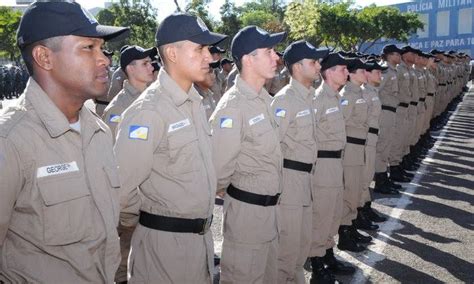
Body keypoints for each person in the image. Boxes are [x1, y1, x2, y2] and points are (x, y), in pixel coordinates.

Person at [0, 2, 129, 282]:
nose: (105, 59)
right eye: (88, 48)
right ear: (44, 58)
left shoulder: (98, 131)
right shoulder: (10, 141)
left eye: (102, 49)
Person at [113, 13, 226, 283]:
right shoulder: (147, 112)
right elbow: (122, 191)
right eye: (199, 48)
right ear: (172, 54)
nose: (209, 57)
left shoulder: (193, 103)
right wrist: (152, 222)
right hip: (163, 249)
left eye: (208, 49)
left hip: (199, 242)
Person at [209, 25, 285, 283]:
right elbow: (218, 174)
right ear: (248, 59)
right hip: (247, 219)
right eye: (269, 51)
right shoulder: (233, 107)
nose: (277, 57)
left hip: (270, 215)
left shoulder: (263, 100)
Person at [270, 40, 327, 284]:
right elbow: (273, 148)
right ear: (297, 66)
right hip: (290, 182)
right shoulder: (285, 100)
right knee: (287, 251)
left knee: (301, 247)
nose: (318, 66)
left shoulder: (308, 98)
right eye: (313, 62)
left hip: (306, 180)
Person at [103, 45, 155, 137]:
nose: (151, 68)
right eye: (145, 63)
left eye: (150, 63)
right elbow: (112, 146)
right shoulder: (117, 108)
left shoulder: (154, 96)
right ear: (130, 69)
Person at [359, 60, 388, 223]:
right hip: (366, 138)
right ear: (368, 74)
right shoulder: (363, 94)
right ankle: (361, 210)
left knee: (368, 174)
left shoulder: (373, 91)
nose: (380, 75)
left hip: (373, 136)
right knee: (364, 176)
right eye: (377, 72)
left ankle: (366, 206)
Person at [374, 44, 403, 195]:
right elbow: (376, 90)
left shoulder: (393, 70)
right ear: (389, 55)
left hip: (391, 111)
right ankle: (380, 180)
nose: (399, 56)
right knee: (382, 146)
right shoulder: (384, 70)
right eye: (397, 54)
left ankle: (383, 176)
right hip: (384, 111)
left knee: (387, 145)